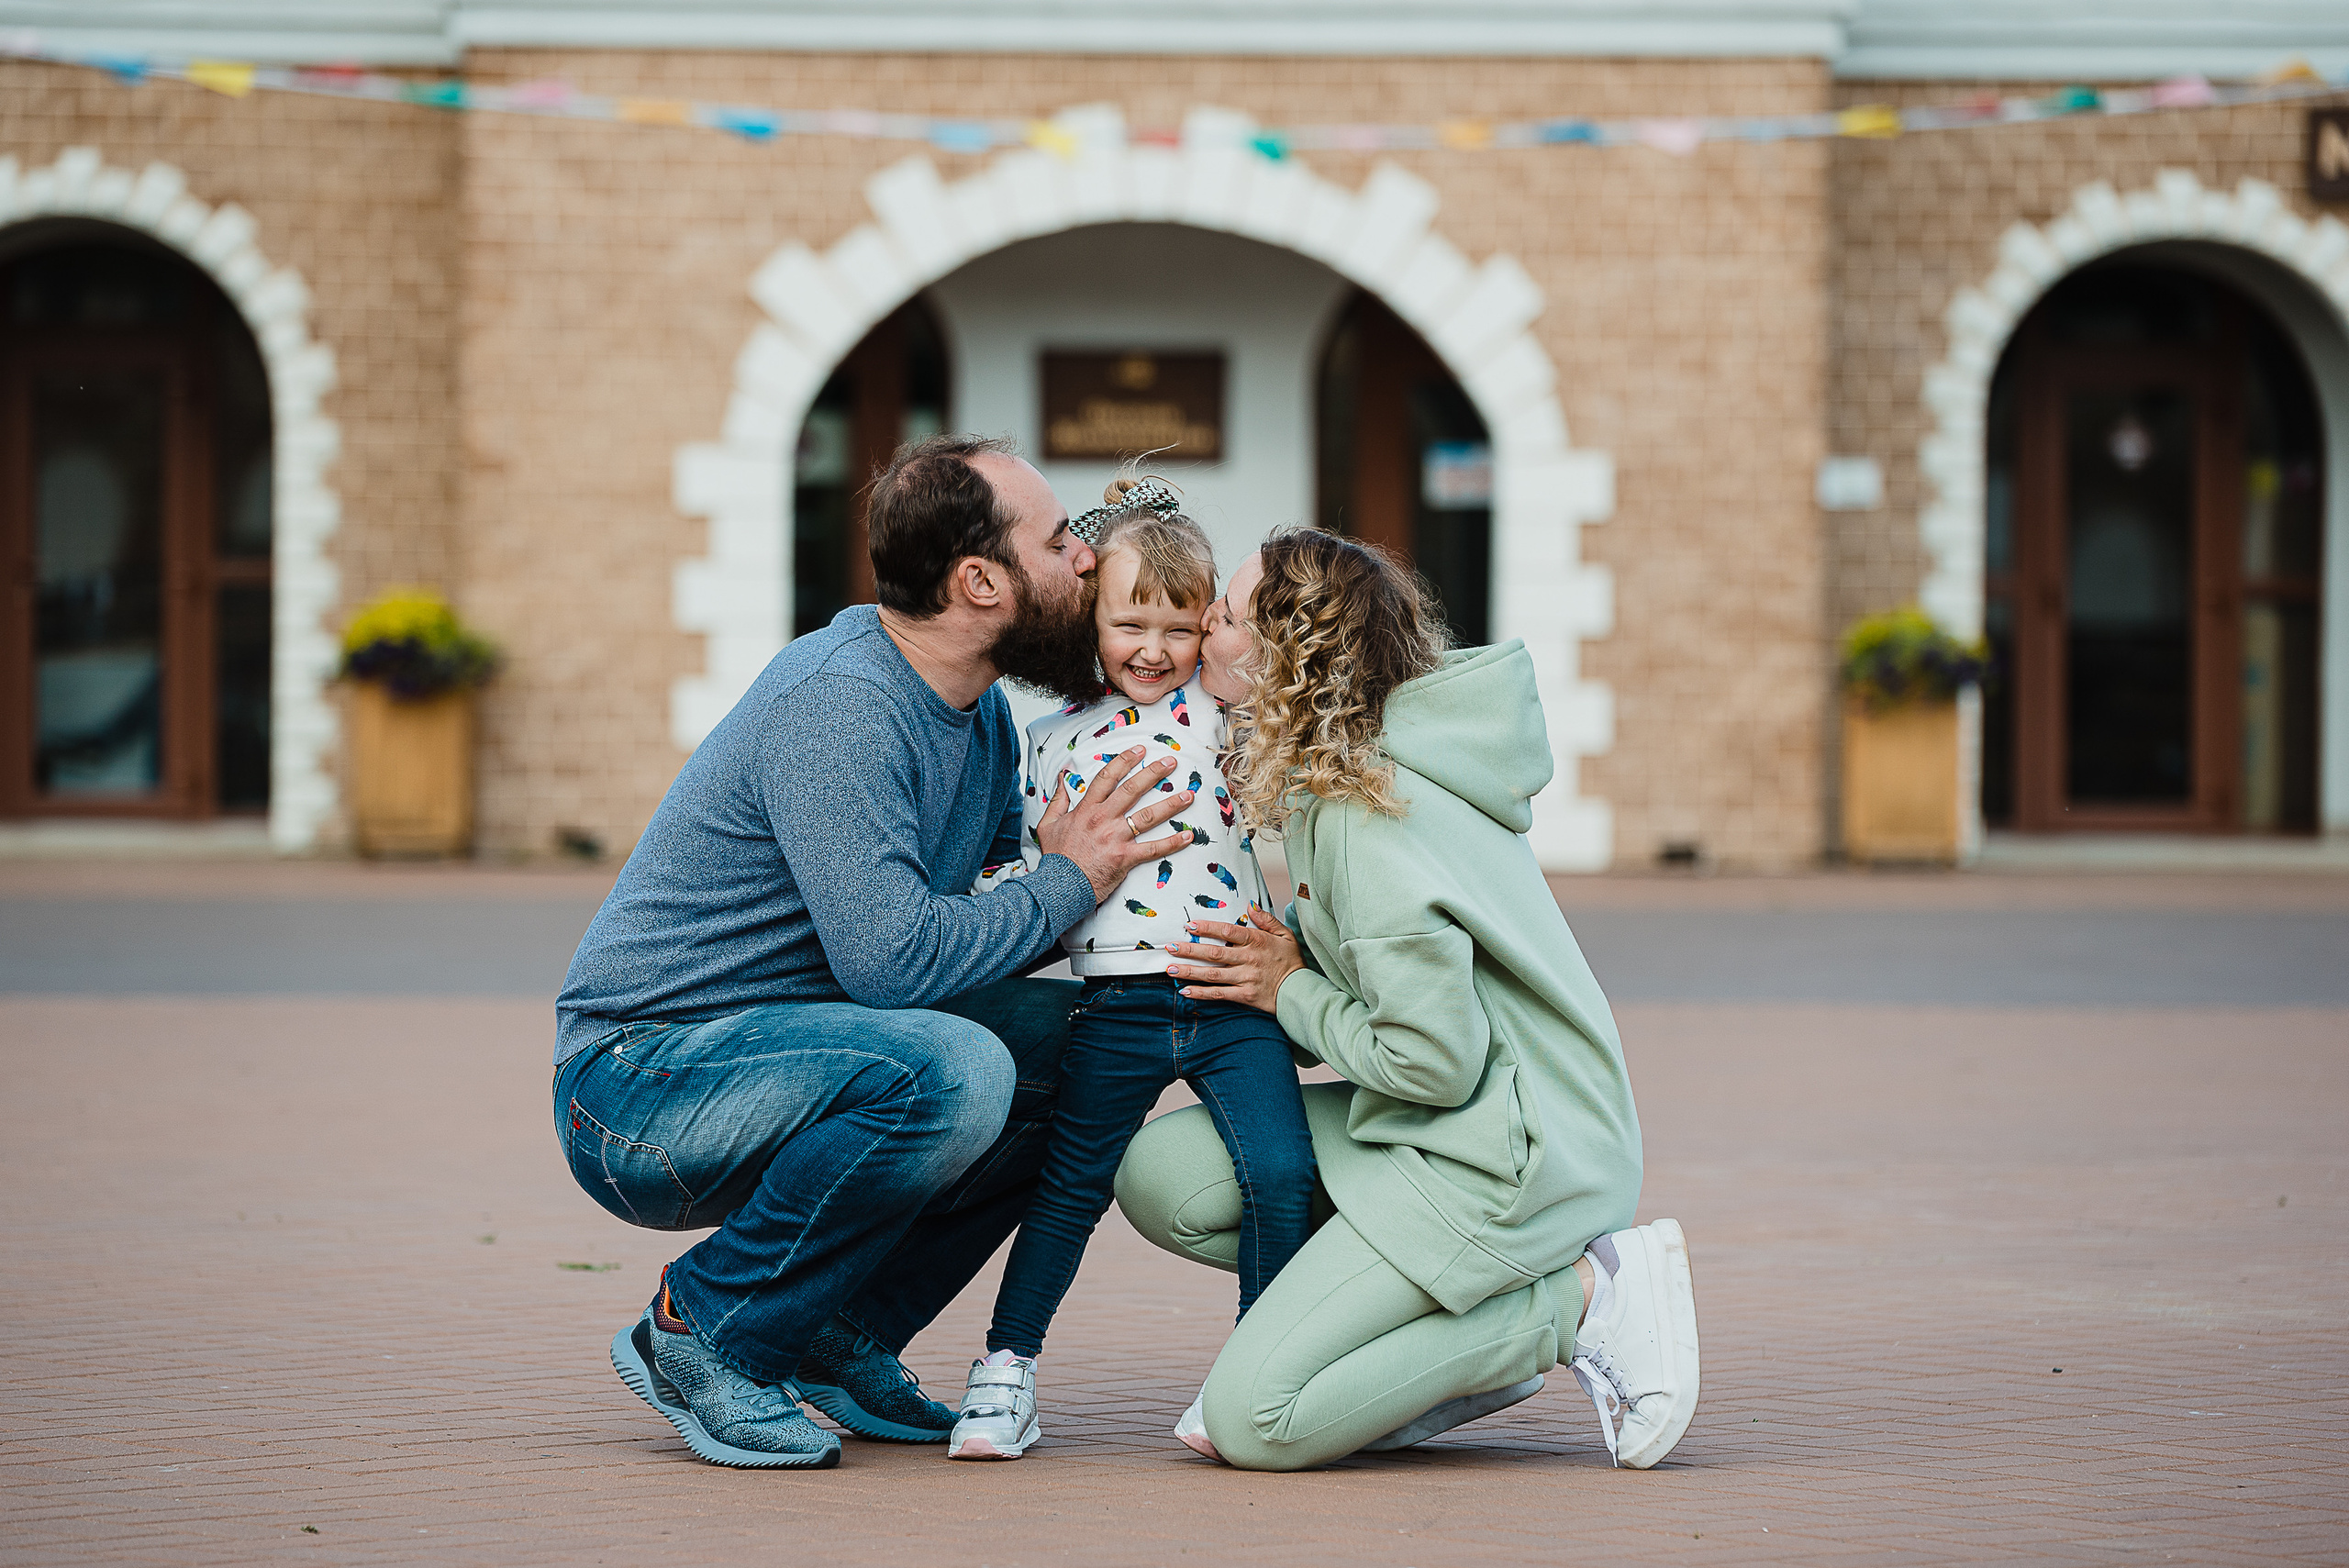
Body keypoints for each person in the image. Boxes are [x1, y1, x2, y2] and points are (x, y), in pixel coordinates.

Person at [553, 435, 1201, 1470]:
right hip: (639, 1087)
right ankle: (705, 1328)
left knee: (1100, 1046)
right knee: (953, 1067)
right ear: (979, 580)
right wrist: (1068, 877)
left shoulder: (979, 709)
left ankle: (834, 1335)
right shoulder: (841, 702)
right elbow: (897, 965)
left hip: (800, 1053)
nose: (1086, 556)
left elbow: (986, 932)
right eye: (1058, 539)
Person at [1115, 528, 1702, 1472]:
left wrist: (1290, 988)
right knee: (1162, 1176)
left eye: (1222, 614)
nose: (1200, 627)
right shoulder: (1357, 763)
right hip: (1454, 1119)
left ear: (1282, 655)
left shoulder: (1362, 818)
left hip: (1508, 1155)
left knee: (1254, 1420)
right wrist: (1296, 963)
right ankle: (1431, 1332)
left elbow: (1432, 1060)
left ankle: (1576, 1302)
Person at [947, 480, 1315, 1461]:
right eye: (1127, 622)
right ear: (1090, 620)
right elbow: (1009, 874)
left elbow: (1313, 817)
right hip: (1112, 1000)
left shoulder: (1233, 722)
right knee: (1069, 1185)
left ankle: (1257, 1372)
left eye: (1178, 625)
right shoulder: (1049, 740)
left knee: (1279, 1170)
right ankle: (1004, 1372)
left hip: (1231, 997)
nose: (1152, 648)